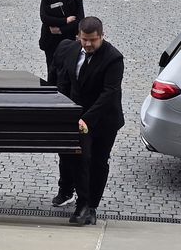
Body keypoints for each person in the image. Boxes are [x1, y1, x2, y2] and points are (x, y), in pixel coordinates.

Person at [50, 17, 125, 225]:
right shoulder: (71, 50)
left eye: (93, 40)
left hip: (103, 120)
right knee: (80, 159)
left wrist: (86, 119)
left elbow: (109, 93)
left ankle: (91, 205)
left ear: (102, 36)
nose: (89, 44)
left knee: (98, 162)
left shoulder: (113, 59)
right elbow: (63, 80)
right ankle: (82, 203)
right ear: (78, 37)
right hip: (78, 116)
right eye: (85, 40)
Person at [39, 0, 84, 83]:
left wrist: (60, 30)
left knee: (66, 71)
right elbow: (44, 17)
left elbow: (79, 21)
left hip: (67, 40)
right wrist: (64, 21)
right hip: (50, 41)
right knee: (51, 70)